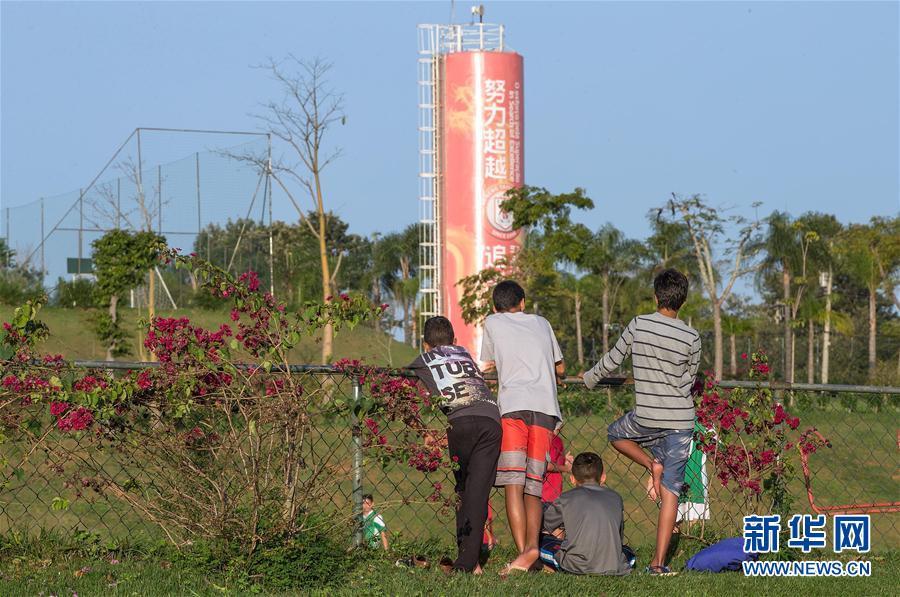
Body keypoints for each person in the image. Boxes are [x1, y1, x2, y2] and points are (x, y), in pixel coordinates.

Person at [581, 268, 701, 575]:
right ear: (682, 301)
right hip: (681, 419)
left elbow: (614, 358)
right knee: (672, 489)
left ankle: (651, 465)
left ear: (655, 296)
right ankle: (658, 564)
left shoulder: (640, 324)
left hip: (646, 416)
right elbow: (688, 380)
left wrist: (590, 378)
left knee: (616, 434)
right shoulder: (692, 336)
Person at [480, 280, 565, 575]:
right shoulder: (542, 322)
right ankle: (533, 551)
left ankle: (524, 554)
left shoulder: (491, 322)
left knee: (513, 484)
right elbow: (560, 368)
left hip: (512, 406)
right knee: (534, 485)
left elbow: (487, 363)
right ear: (523, 302)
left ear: (495, 307)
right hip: (544, 407)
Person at [408, 316, 501, 573]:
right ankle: (470, 562)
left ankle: (467, 562)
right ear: (455, 340)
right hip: (490, 421)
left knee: (463, 490)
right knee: (477, 493)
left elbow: (407, 402)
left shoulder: (424, 359)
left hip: (458, 423)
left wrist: (424, 431)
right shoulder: (465, 354)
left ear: (425, 344)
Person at [539, 452, 634, 575]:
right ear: (603, 477)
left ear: (572, 479)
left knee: (540, 541)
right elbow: (618, 538)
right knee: (627, 551)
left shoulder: (566, 498)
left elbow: (544, 524)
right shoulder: (616, 497)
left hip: (576, 565)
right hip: (614, 565)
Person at [542, 424, 573, 505]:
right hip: (550, 493)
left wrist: (564, 459)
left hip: (538, 492)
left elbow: (553, 461)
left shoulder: (540, 438)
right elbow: (547, 465)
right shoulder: (555, 440)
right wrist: (567, 468)